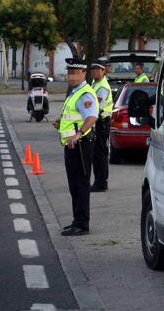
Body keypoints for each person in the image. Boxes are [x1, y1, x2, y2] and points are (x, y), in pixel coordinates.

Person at [53, 58, 99, 236]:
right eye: (69, 72)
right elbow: (74, 116)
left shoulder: (85, 94)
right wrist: (61, 123)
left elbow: (92, 117)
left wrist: (78, 133)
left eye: (74, 72)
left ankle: (81, 224)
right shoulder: (75, 92)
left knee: (80, 185)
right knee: (74, 185)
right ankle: (76, 221)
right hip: (72, 145)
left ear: (83, 74)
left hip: (81, 145)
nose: (70, 76)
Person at [89, 62, 113, 192]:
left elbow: (96, 107)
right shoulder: (95, 84)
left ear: (103, 71)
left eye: (97, 69)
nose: (94, 72)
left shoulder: (102, 87)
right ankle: (99, 181)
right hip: (99, 122)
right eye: (92, 69)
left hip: (101, 123)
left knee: (100, 154)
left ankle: (101, 183)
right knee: (97, 154)